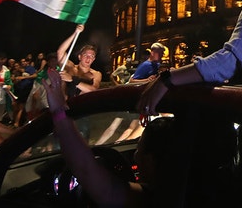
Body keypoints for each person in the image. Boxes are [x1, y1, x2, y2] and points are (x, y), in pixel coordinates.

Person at [42, 67, 178, 207]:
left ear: (149, 160)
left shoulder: (146, 198)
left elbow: (86, 170)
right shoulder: (181, 191)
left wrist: (58, 111)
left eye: (138, 149)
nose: (135, 155)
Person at [56, 24, 101, 98]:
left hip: (84, 103)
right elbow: (60, 52)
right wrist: (75, 33)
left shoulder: (96, 74)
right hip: (67, 102)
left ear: (93, 59)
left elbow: (93, 90)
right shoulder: (70, 67)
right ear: (79, 57)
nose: (88, 58)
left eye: (91, 56)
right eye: (85, 55)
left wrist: (72, 79)